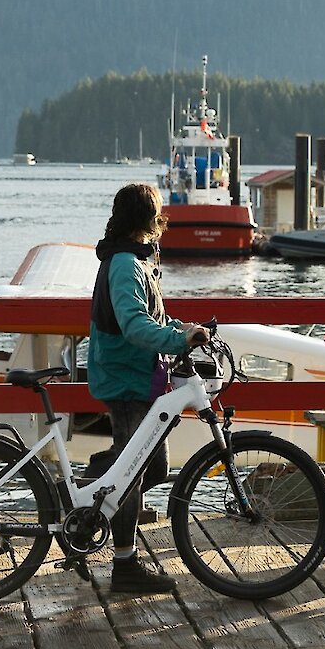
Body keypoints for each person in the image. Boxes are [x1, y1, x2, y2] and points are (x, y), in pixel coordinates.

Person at [83, 182, 211, 594]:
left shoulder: (133, 259)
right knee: (133, 472)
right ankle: (125, 564)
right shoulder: (124, 263)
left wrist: (181, 329)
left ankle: (89, 495)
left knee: (151, 466)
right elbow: (134, 324)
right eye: (158, 213)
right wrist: (176, 341)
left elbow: (151, 316)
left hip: (139, 376)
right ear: (149, 219)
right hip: (126, 379)